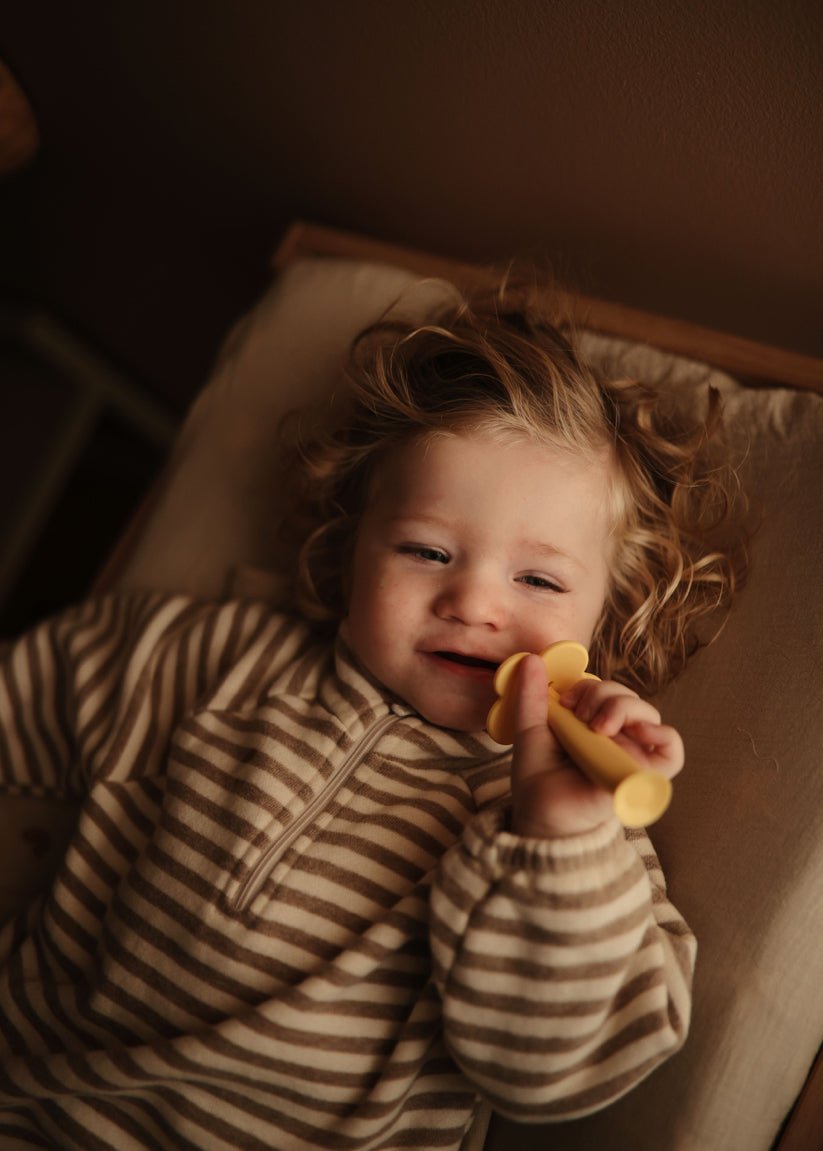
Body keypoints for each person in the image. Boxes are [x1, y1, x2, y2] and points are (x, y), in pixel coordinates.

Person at [0, 278, 740, 1151]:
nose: (471, 600)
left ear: (607, 616)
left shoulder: (569, 821)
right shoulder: (211, 657)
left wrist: (559, 838)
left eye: (537, 579)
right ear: (350, 548)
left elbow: (554, 1069)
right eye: (426, 551)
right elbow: (30, 691)